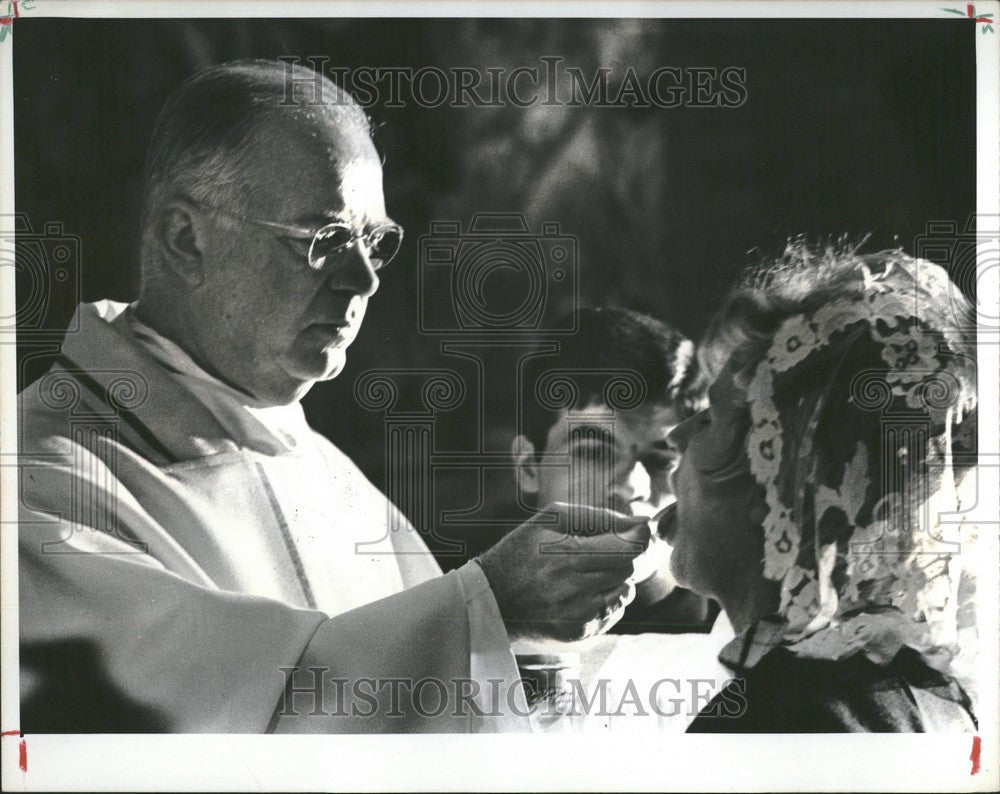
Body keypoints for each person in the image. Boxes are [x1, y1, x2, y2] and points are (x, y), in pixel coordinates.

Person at [16, 59, 650, 733]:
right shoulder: (40, 484)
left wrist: (547, 649)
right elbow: (193, 739)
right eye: (325, 240)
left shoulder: (325, 471)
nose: (365, 279)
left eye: (375, 242)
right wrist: (491, 605)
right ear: (185, 237)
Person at [663, 242, 979, 732]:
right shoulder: (937, 698)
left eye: (710, 418)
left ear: (777, 485)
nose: (676, 435)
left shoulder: (780, 716)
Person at [510, 306, 717, 633]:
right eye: (593, 453)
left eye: (661, 460)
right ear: (527, 468)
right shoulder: (458, 621)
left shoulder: (737, 638)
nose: (632, 486)